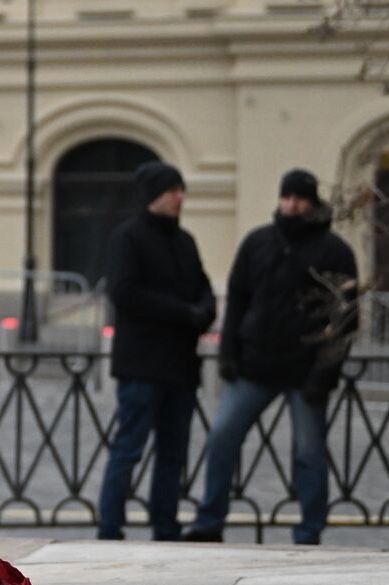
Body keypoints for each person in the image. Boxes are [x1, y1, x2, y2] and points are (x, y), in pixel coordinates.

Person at [183, 168, 358, 546]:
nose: (291, 204)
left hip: (307, 370)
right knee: (222, 437)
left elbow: (345, 319)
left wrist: (323, 375)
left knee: (310, 453)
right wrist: (229, 352)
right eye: (287, 196)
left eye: (299, 197)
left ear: (312, 202)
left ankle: (309, 530)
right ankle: (210, 520)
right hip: (254, 364)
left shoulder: (335, 250)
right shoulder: (258, 242)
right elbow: (238, 298)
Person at [96, 161, 216, 541]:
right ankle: (110, 527)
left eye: (182, 190)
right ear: (154, 196)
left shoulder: (185, 241)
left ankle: (166, 526)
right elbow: (126, 292)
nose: (180, 197)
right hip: (142, 365)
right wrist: (186, 313)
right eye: (173, 191)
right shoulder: (128, 237)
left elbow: (203, 286)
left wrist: (205, 311)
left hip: (180, 366)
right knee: (128, 449)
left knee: (173, 454)